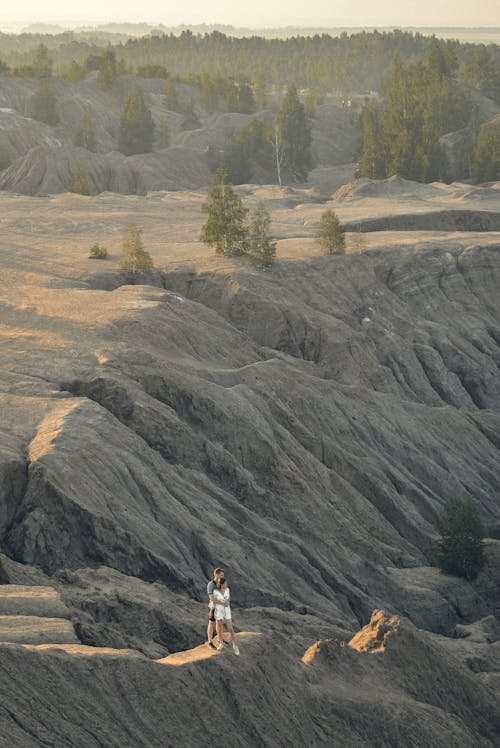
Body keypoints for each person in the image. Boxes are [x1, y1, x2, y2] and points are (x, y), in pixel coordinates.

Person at [213, 576, 239, 655]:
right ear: (221, 584)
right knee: (219, 628)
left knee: (230, 628)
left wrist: (226, 602)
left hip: (226, 611)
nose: (227, 584)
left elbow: (228, 599)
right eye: (225, 583)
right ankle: (221, 643)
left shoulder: (227, 590)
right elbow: (215, 601)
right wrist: (222, 603)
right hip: (219, 611)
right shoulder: (216, 591)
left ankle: (235, 645)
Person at [207, 567, 223, 649]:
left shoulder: (220, 584)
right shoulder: (211, 585)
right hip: (213, 607)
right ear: (216, 574)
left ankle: (220, 639)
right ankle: (210, 642)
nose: (222, 577)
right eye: (221, 575)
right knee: (211, 623)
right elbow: (211, 598)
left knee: (219, 623)